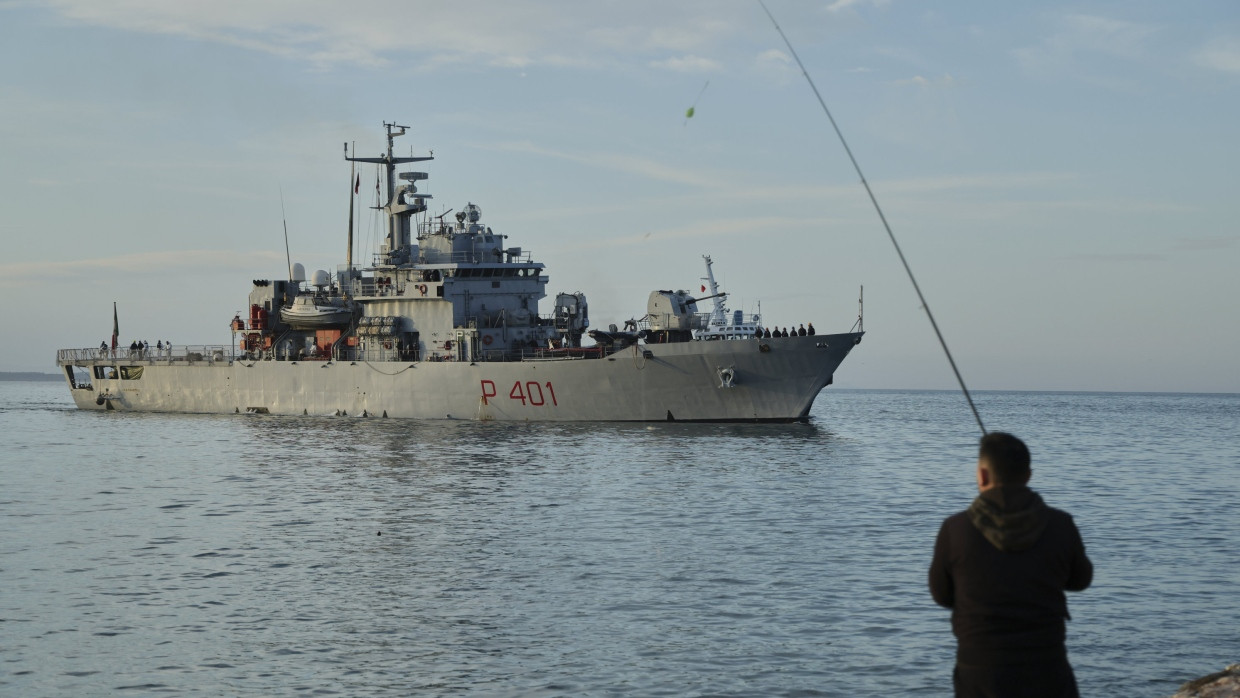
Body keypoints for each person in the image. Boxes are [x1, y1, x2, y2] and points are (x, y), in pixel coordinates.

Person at [929, 432, 1092, 697]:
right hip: (1047, 665)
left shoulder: (955, 528)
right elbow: (1080, 580)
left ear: (982, 476)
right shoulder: (1061, 524)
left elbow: (942, 595)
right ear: (1028, 475)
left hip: (979, 670)